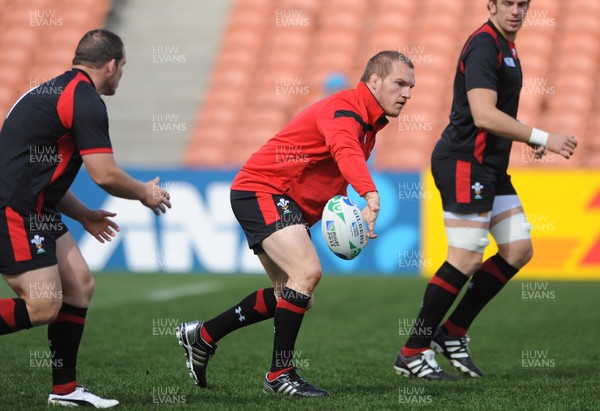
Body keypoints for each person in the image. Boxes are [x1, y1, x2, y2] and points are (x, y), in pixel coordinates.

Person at [177, 50, 415, 397]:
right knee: (306, 274)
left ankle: (203, 336)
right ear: (374, 81)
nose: (407, 93)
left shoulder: (368, 124)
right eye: (400, 83)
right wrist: (370, 195)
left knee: (293, 293)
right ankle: (280, 375)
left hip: (280, 199)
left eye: (411, 86)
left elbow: (331, 169)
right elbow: (344, 151)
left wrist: (351, 214)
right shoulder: (345, 109)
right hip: (263, 189)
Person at [394, 0, 577, 380]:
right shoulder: (484, 44)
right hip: (464, 162)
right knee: (465, 258)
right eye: (507, 3)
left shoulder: (507, 46)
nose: (516, 10)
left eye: (522, 4)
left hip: (491, 167)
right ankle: (413, 350)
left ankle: (453, 332)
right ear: (490, 5)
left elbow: (497, 114)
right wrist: (541, 136)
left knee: (518, 249)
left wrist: (526, 137)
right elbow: (483, 114)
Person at [0, 29, 171, 407]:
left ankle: (64, 390)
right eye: (122, 67)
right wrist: (144, 192)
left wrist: (86, 215)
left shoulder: (57, 90)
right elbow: (104, 173)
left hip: (36, 205)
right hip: (14, 207)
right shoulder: (85, 99)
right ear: (111, 64)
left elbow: (43, 172)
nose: (121, 75)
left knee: (78, 284)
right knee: (43, 305)